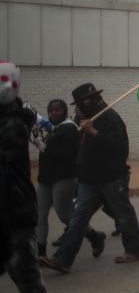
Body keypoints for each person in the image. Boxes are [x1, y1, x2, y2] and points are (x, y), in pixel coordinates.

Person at [40, 83, 139, 273]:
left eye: (80, 104)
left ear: (89, 101)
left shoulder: (109, 117)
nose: (77, 108)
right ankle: (63, 259)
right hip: (89, 179)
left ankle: (136, 249)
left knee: (123, 215)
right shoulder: (84, 119)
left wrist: (94, 132)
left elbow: (119, 147)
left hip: (112, 177)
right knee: (78, 218)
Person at [0, 61, 65, 293]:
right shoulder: (20, 115)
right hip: (11, 211)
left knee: (29, 285)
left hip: (14, 216)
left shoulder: (15, 122)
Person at [33, 98, 105, 259]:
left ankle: (94, 236)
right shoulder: (51, 128)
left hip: (63, 177)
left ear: (64, 111)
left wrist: (46, 147)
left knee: (64, 214)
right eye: (51, 110)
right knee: (40, 214)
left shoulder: (69, 129)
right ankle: (41, 252)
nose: (53, 113)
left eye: (57, 110)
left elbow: (70, 155)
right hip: (45, 178)